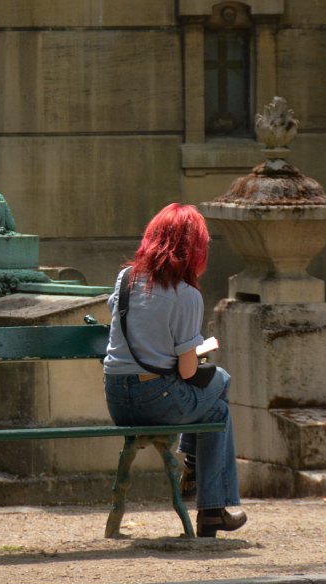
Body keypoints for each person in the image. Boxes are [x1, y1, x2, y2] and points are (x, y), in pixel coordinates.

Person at [103, 203, 247, 537]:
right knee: (220, 391)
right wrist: (200, 351)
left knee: (215, 406)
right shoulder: (186, 295)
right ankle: (209, 504)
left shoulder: (125, 278)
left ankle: (198, 478)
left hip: (117, 399)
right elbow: (186, 372)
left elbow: (123, 316)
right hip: (156, 397)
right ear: (193, 248)